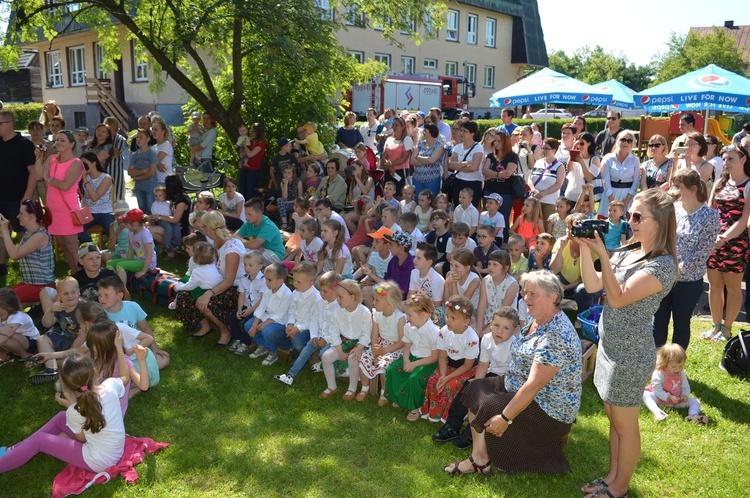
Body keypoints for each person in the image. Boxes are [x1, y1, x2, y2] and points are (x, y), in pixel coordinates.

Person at [578, 189, 677, 498]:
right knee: (613, 418)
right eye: (631, 215)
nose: (630, 221)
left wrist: (604, 256)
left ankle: (619, 488)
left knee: (625, 424)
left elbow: (618, 298)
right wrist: (584, 248)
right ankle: (611, 477)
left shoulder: (663, 266)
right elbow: (594, 284)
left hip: (630, 354)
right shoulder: (631, 248)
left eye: (638, 217)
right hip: (609, 346)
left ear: (659, 222)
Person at [444, 270, 582, 476]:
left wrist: (505, 418)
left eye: (533, 293)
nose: (526, 298)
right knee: (473, 388)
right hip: (517, 383)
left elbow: (534, 385)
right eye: (525, 292)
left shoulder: (556, 335)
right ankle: (480, 457)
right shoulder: (536, 320)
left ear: (553, 297)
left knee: (490, 406)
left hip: (548, 406)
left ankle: (482, 459)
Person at [0, 353, 127, 474]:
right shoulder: (110, 386)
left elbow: (81, 439)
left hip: (99, 461)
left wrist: (72, 406)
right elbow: (125, 378)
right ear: (95, 373)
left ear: (66, 386)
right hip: (112, 451)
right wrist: (119, 347)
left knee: (39, 441)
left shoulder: (74, 411)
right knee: (62, 417)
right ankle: (14, 450)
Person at [433, 306, 518, 448]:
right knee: (469, 387)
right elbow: (483, 365)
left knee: (488, 399)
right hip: (491, 373)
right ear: (490, 324)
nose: (499, 331)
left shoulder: (515, 345)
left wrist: (486, 386)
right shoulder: (486, 339)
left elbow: (511, 373)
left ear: (515, 330)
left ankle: (472, 432)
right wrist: (477, 383)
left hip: (508, 379)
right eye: (496, 325)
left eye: (506, 328)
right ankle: (452, 425)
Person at [653, 170, 718, 350]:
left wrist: (677, 269)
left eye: (678, 186)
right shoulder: (673, 209)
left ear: (693, 189)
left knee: (681, 325)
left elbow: (703, 252)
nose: (674, 190)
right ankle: (656, 363)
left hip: (688, 281)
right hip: (665, 276)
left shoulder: (710, 216)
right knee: (658, 322)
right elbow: (663, 237)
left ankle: (675, 367)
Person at [702, 144, 750, 342]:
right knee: (714, 285)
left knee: (733, 287)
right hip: (715, 241)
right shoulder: (720, 183)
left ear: (743, 160)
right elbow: (710, 212)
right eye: (724, 159)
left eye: (730, 159)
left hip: (736, 243)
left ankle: (727, 328)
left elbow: (744, 220)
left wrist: (724, 238)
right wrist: (712, 238)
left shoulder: (748, 185)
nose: (726, 163)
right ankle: (716, 326)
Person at [274, 271, 342, 386]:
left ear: (336, 291)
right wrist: (314, 336)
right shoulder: (320, 303)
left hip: (331, 339)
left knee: (323, 354)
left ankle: (324, 365)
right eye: (320, 290)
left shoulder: (340, 307)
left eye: (325, 291)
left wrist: (325, 339)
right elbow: (314, 320)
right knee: (305, 352)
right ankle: (290, 375)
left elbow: (337, 329)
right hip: (318, 336)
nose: (321, 293)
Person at [33, 129, 84, 271]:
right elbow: (38, 176)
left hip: (68, 210)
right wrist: (38, 158)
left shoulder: (76, 163)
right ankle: (75, 273)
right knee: (62, 245)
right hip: (53, 208)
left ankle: (84, 277)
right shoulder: (52, 158)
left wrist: (48, 178)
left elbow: (65, 185)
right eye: (57, 140)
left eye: (63, 140)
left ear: (72, 144)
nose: (59, 143)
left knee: (72, 247)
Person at [385, 293, 440, 420]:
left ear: (424, 314)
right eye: (407, 315)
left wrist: (414, 364)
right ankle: (398, 398)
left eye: (410, 315)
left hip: (428, 362)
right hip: (412, 357)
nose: (407, 318)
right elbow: (407, 347)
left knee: (414, 379)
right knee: (393, 369)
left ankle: (416, 408)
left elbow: (434, 357)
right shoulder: (409, 327)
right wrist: (405, 360)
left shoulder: (434, 332)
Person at [319, 279, 373, 400]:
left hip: (360, 344)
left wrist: (359, 348)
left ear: (352, 297)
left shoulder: (364, 312)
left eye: (340, 297)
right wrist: (339, 350)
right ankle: (332, 386)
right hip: (343, 342)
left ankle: (352, 388)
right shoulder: (337, 312)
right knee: (326, 356)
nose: (337, 299)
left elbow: (366, 334)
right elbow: (334, 333)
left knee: (353, 358)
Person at [0, 111, 37, 277]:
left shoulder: (24, 144)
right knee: (1, 231)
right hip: (1, 197)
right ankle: (1, 266)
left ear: (9, 124)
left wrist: (27, 195)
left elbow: (33, 172)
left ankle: (28, 266)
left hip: (18, 198)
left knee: (23, 232)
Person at [259, 261, 319, 363]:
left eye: (298, 282)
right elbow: (291, 310)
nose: (294, 284)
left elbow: (314, 321)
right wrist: (290, 324)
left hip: (307, 328)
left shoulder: (316, 298)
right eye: (293, 280)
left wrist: (298, 328)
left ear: (310, 283)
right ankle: (291, 347)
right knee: (272, 333)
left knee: (298, 342)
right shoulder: (295, 292)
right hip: (293, 324)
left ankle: (302, 352)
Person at [357, 281, 405, 402]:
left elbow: (401, 342)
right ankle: (364, 388)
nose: (373, 303)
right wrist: (375, 350)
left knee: (383, 366)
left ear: (389, 302)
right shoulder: (376, 314)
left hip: (395, 348)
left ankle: (384, 393)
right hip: (380, 344)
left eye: (377, 300)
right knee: (363, 359)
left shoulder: (399, 318)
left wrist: (383, 351)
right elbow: (374, 335)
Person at [0, 199, 54, 304]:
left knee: (5, 301)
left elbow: (14, 255)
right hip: (30, 283)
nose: (17, 216)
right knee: (3, 295)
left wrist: (7, 234)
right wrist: (5, 236)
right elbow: (16, 254)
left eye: (21, 213)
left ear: (31, 216)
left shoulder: (40, 235)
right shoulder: (29, 234)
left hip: (42, 286)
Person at [642, 344, 708, 424]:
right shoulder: (659, 373)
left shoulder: (681, 373)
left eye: (681, 366)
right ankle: (658, 412)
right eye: (674, 366)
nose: (678, 369)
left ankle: (693, 416)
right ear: (664, 363)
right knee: (645, 394)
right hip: (660, 400)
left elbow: (685, 386)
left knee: (695, 401)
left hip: (677, 401)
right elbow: (657, 390)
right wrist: (669, 397)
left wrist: (685, 395)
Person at [550, 213, 602, 313]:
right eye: (567, 228)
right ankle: (552, 315)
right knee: (550, 282)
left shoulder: (591, 246)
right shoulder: (561, 242)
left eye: (573, 228)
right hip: (564, 280)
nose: (569, 232)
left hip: (585, 283)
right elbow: (554, 270)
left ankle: (583, 315)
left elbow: (588, 277)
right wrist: (561, 248)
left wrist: (566, 287)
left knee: (582, 289)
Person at [245, 263, 293, 366]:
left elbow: (280, 314)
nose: (266, 282)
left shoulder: (287, 294)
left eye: (269, 280)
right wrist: (254, 326)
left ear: (280, 281)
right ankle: (262, 346)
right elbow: (261, 308)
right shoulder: (268, 290)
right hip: (267, 317)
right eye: (266, 279)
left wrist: (265, 323)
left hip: (279, 322)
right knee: (248, 325)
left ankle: (272, 352)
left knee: (267, 331)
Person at [482, 130, 519, 243]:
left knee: (503, 220)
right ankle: (486, 241)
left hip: (505, 193)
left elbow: (507, 174)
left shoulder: (512, 156)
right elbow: (484, 170)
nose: (496, 143)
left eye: (499, 141)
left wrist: (491, 174)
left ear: (505, 142)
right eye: (495, 141)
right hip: (489, 191)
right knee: (488, 219)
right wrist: (498, 174)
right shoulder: (490, 155)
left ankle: (503, 243)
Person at [106, 209, 156, 286]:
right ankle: (115, 284)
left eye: (126, 223)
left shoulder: (144, 234)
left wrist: (143, 271)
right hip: (137, 260)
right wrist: (128, 261)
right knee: (109, 263)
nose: (125, 226)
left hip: (147, 264)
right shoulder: (131, 232)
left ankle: (122, 289)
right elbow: (130, 249)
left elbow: (149, 254)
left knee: (120, 265)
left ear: (135, 223)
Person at [598, 130, 640, 218]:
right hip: (611, 194)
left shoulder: (635, 160)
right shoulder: (608, 158)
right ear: (618, 141)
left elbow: (636, 182)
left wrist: (627, 201)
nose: (626, 142)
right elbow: (605, 180)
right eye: (623, 139)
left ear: (632, 144)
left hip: (627, 196)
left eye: (629, 141)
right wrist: (612, 199)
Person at [475, 250, 519, 334]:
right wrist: (479, 327)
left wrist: (488, 329)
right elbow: (482, 304)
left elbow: (503, 310)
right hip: (488, 317)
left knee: (488, 335)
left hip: (505, 319)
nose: (491, 267)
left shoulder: (512, 284)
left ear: (506, 268)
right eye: (489, 264)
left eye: (495, 264)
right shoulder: (485, 280)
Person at [77, 152, 114, 243]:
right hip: (88, 212)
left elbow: (95, 197)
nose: (83, 167)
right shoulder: (82, 177)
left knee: (113, 231)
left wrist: (84, 179)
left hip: (104, 211)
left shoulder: (106, 178)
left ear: (94, 163)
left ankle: (114, 251)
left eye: (85, 164)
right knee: (78, 229)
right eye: (81, 164)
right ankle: (92, 251)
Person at [447, 120, 484, 207]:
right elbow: (451, 165)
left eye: (465, 131)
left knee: (471, 209)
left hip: (473, 183)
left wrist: (458, 165)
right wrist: (466, 163)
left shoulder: (478, 148)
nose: (461, 133)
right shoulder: (457, 147)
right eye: (461, 130)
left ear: (472, 133)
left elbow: (473, 168)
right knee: (457, 207)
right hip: (458, 181)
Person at [236, 198, 285, 264]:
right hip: (260, 250)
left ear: (259, 213)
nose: (246, 217)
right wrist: (253, 245)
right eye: (246, 214)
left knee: (247, 255)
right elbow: (234, 237)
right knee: (238, 252)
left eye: (249, 214)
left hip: (274, 254)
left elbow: (254, 245)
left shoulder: (268, 226)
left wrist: (253, 245)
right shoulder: (248, 223)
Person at [527, 137, 565, 222]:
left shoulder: (559, 166)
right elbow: (530, 177)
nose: (544, 150)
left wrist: (543, 193)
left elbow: (558, 185)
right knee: (533, 225)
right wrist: (533, 189)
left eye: (547, 148)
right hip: (534, 200)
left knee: (547, 227)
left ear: (554, 150)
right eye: (543, 148)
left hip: (550, 202)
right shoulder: (538, 162)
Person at [0, 288, 40, 359]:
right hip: (17, 341)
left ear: (6, 308)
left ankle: (25, 354)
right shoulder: (2, 316)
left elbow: (6, 336)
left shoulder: (17, 317)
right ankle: (4, 355)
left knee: (3, 337)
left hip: (31, 341)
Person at [410, 123, 444, 198]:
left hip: (432, 180)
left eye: (425, 131)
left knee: (431, 201)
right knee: (418, 201)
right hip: (417, 179)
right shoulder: (421, 144)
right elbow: (412, 161)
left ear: (431, 132)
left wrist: (418, 157)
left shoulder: (439, 146)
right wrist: (426, 160)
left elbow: (431, 160)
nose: (423, 132)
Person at [381, 117, 413, 195]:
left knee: (399, 195)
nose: (394, 127)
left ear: (402, 127)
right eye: (393, 125)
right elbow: (384, 156)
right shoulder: (389, 139)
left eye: (396, 125)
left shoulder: (407, 140)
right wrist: (389, 167)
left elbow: (404, 159)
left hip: (401, 172)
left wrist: (390, 164)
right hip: (389, 171)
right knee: (388, 195)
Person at [238, 123, 266, 200]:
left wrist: (244, 146)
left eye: (253, 131)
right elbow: (242, 154)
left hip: (254, 170)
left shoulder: (261, 144)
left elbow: (250, 154)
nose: (251, 133)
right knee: (241, 191)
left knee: (250, 192)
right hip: (245, 168)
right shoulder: (250, 141)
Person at [103, 117, 127, 201]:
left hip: (116, 172)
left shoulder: (120, 139)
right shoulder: (102, 139)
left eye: (108, 125)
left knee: (117, 195)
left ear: (114, 126)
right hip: (103, 172)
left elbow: (115, 154)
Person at [151, 120, 174, 185]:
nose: (153, 132)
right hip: (155, 179)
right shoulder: (153, 147)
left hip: (164, 180)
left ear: (163, 132)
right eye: (152, 129)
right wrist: (158, 164)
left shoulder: (166, 144)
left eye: (156, 129)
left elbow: (155, 160)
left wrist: (156, 163)